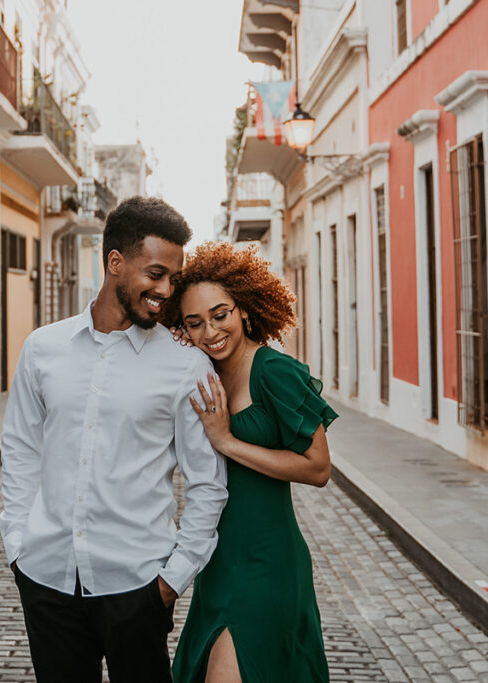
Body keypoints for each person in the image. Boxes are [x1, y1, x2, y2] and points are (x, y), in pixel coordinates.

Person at [0, 196, 229, 683]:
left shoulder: (186, 367)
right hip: (47, 578)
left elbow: (208, 483)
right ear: (114, 263)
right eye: (155, 274)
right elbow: (20, 448)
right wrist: (18, 544)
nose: (165, 290)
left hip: (138, 586)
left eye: (173, 279)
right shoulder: (43, 348)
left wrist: (171, 580)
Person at [162, 241, 337, 683]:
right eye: (195, 323)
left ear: (243, 308)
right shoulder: (201, 371)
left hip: (269, 561)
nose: (211, 332)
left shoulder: (275, 371)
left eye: (220, 314)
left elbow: (318, 468)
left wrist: (227, 441)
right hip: (218, 561)